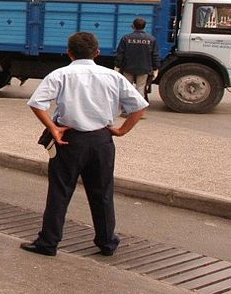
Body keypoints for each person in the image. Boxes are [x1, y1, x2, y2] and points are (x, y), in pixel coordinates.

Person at [21, 32, 148, 257]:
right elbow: (139, 107)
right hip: (101, 140)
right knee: (102, 193)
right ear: (97, 53)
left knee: (60, 192)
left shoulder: (60, 74)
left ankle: (48, 242)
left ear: (69, 53)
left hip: (69, 139)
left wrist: (53, 127)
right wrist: (120, 131)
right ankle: (106, 242)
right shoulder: (113, 77)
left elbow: (37, 103)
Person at [114, 18, 159, 98]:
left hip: (128, 68)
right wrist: (155, 68)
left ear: (133, 26)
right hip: (144, 68)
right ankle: (139, 108)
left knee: (127, 89)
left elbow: (120, 53)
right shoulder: (151, 39)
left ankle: (126, 108)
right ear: (145, 27)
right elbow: (155, 55)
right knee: (140, 89)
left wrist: (117, 66)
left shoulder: (126, 38)